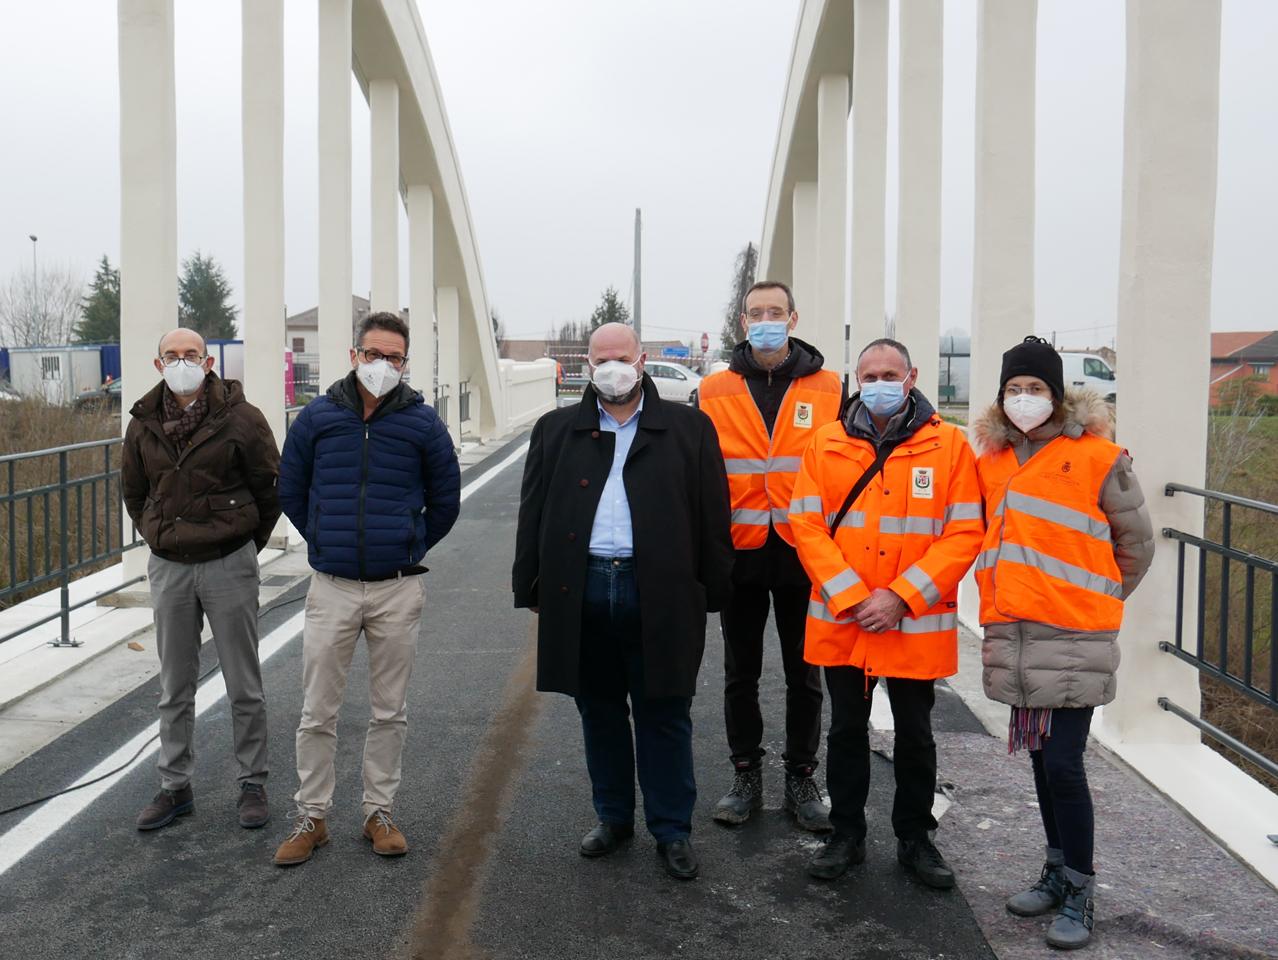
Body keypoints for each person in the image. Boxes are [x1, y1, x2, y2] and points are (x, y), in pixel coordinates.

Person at [513, 322, 734, 881]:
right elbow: (533, 513)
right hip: (583, 586)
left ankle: (672, 828)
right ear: (588, 366)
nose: (612, 368)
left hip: (659, 589)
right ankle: (613, 818)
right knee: (600, 710)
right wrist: (531, 585)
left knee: (665, 710)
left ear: (641, 361)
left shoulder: (689, 428)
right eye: (601, 358)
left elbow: (713, 516)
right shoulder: (556, 429)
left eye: (622, 357)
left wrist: (713, 589)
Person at [969, 336, 1152, 950]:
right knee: (1044, 762)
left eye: (1037, 388)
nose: (1025, 399)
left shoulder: (1099, 456)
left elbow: (1137, 545)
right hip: (1015, 633)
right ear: (1002, 398)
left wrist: (1096, 602)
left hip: (1075, 633)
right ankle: (1054, 871)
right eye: (1015, 390)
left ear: (1058, 394)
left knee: (1066, 764)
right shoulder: (991, 460)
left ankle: (1081, 890)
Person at [787, 338, 984, 888]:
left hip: (912, 620)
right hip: (846, 618)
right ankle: (846, 835)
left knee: (916, 733)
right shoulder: (825, 443)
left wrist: (901, 595)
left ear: (911, 376)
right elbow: (805, 526)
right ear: (855, 378)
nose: (878, 382)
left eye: (889, 373)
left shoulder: (948, 446)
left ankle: (915, 839)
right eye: (868, 374)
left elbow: (965, 530)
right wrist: (853, 596)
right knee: (846, 729)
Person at [272, 311, 460, 866]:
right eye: (373, 355)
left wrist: (411, 542)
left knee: (389, 710)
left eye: (394, 358)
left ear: (406, 363)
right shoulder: (318, 417)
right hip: (331, 586)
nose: (383, 366)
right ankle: (313, 815)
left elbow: (446, 499)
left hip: (396, 588)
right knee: (317, 710)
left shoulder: (423, 424)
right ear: (354, 356)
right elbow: (291, 487)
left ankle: (378, 811)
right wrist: (324, 536)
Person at [122, 327, 281, 832]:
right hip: (169, 565)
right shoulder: (143, 423)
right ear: (158, 364)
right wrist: (156, 534)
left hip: (228, 561)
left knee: (243, 683)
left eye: (191, 354)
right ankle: (175, 787)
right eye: (172, 355)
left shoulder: (241, 418)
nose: (182, 362)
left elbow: (269, 487)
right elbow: (133, 489)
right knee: (174, 684)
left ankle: (252, 783)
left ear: (208, 362)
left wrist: (244, 545)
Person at [698, 280, 843, 832]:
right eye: (756, 312)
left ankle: (802, 777)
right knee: (741, 672)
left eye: (775, 312)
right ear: (742, 321)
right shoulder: (714, 388)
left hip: (806, 551)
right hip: (740, 549)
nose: (766, 319)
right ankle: (744, 774)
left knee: (806, 674)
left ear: (793, 318)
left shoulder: (830, 386)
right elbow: (702, 470)